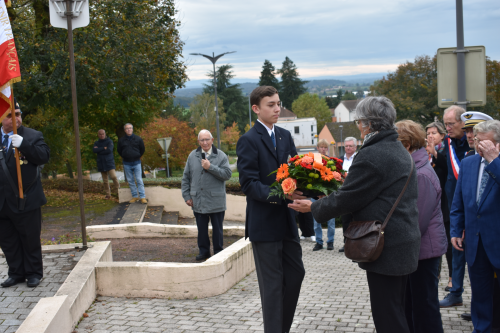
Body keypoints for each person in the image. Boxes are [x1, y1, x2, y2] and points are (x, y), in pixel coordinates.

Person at [289, 96, 420, 333]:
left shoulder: (373, 154)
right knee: (396, 309)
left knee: (387, 316)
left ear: (368, 124)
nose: (358, 126)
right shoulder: (395, 148)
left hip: (387, 247)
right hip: (402, 242)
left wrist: (313, 206)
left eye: (359, 121)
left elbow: (349, 198)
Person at [237, 86, 305, 333]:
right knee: (273, 285)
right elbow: (249, 184)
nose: (277, 108)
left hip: (287, 221)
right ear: (256, 108)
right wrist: (281, 195)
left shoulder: (285, 136)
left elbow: (296, 172)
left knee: (296, 275)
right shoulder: (248, 140)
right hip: (264, 224)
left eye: (278, 103)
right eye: (271, 105)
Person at [396, 120, 447, 333]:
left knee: (425, 308)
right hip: (416, 252)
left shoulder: (422, 174)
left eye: (395, 143)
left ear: (407, 145)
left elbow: (418, 221)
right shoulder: (413, 168)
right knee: (412, 305)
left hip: (424, 253)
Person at [450, 119, 500, 333]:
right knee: (480, 294)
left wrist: (494, 160)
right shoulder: (469, 163)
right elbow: (458, 201)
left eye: (485, 143)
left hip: (497, 240)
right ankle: (481, 329)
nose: (480, 146)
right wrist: (456, 230)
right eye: (478, 141)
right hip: (475, 241)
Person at [0, 99, 50, 288]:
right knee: (8, 241)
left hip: (26, 198)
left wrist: (24, 145)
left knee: (30, 238)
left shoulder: (32, 135)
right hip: (2, 202)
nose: (15, 119)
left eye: (18, 114)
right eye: (10, 115)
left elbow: (44, 156)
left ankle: (33, 273)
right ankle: (16, 273)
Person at [181, 129, 232, 261]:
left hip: (216, 201)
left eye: (207, 139)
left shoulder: (221, 156)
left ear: (212, 140)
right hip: (198, 200)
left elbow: (227, 175)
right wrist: (187, 196)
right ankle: (204, 252)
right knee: (201, 230)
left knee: (218, 230)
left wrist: (210, 167)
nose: (205, 143)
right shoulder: (192, 156)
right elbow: (186, 177)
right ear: (198, 141)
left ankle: (218, 252)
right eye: (202, 140)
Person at [439, 105, 471, 308]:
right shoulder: (448, 144)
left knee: (478, 261)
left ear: (463, 122)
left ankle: (480, 303)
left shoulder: (474, 145)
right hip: (454, 208)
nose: (447, 128)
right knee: (456, 252)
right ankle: (455, 292)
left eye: (451, 124)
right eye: (446, 124)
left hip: (474, 210)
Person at [426, 121, 453, 290]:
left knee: (449, 245)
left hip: (445, 205)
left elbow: (447, 167)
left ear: (442, 136)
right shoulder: (425, 154)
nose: (430, 136)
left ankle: (452, 277)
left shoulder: (446, 151)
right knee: (434, 243)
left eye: (434, 133)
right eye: (428, 133)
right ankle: (435, 274)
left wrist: (434, 153)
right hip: (431, 206)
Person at [312, 139, 335, 251]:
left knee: (331, 221)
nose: (323, 149)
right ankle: (318, 241)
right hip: (316, 194)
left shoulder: (331, 161)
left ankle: (330, 241)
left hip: (328, 194)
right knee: (316, 221)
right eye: (321, 147)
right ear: (318, 148)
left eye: (325, 147)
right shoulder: (313, 161)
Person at [117, 123, 146, 204]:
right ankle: (135, 196)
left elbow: (142, 149)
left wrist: (137, 156)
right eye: (127, 128)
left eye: (130, 128)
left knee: (139, 180)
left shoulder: (138, 139)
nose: (129, 129)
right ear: (125, 130)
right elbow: (119, 150)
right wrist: (124, 156)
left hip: (136, 162)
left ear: (132, 129)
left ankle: (142, 197)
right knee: (130, 181)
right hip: (126, 163)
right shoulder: (121, 140)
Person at [338, 136, 357, 253]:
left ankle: (356, 244)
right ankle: (346, 243)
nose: (348, 148)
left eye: (351, 146)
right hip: (344, 194)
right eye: (346, 146)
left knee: (356, 220)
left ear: (355, 147)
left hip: (356, 193)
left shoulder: (359, 158)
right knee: (345, 220)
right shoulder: (340, 159)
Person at [93, 129, 119, 199]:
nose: (102, 135)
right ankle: (108, 194)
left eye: (103, 134)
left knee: (114, 177)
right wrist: (103, 148)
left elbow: (109, 150)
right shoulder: (96, 143)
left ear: (105, 134)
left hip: (109, 162)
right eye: (100, 134)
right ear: (98, 135)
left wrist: (99, 150)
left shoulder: (109, 141)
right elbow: (94, 150)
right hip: (101, 163)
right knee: (105, 180)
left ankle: (118, 191)